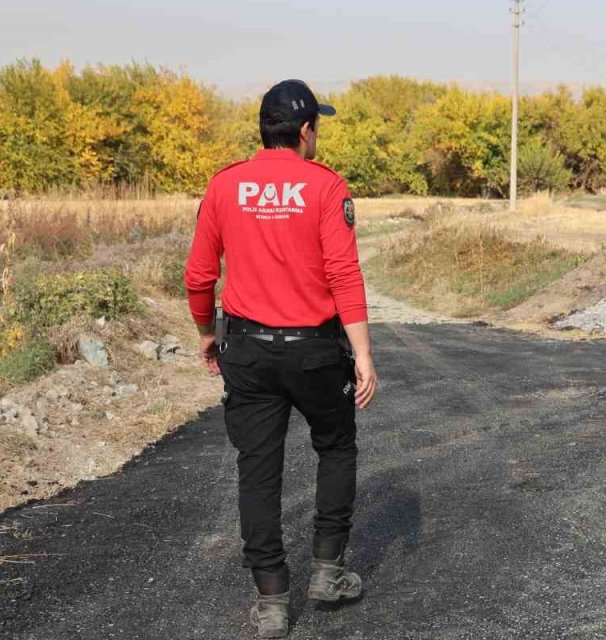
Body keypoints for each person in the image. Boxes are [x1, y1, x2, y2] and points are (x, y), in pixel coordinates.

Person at [184, 79, 378, 638]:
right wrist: (362, 355)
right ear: (305, 130)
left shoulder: (224, 185)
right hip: (316, 351)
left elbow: (199, 275)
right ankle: (328, 571)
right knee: (336, 446)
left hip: (247, 349)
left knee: (258, 470)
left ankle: (272, 601)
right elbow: (344, 274)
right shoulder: (325, 186)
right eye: (319, 126)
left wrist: (205, 332)